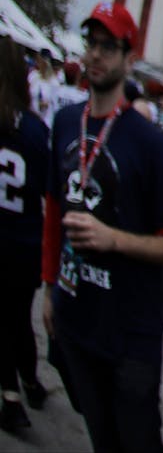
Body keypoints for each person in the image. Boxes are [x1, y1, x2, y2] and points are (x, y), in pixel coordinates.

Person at [41, 2, 163, 452]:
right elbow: (53, 209)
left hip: (130, 330)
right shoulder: (67, 121)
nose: (97, 55)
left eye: (110, 47)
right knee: (102, 437)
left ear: (130, 58)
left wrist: (114, 239)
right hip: (74, 314)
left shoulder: (149, 142)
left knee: (138, 440)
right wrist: (48, 286)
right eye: (92, 44)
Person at [0, 36, 50, 434]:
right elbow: (43, 191)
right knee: (16, 319)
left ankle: (14, 395)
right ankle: (27, 384)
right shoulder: (34, 129)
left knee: (10, 321)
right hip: (24, 241)